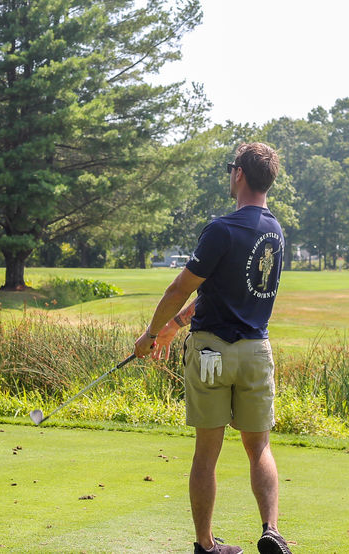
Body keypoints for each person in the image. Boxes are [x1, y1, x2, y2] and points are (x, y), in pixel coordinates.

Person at [134, 142, 292, 554]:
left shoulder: (221, 229)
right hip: (256, 352)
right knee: (259, 446)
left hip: (210, 354)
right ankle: (271, 530)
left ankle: (206, 545)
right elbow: (220, 290)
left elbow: (180, 288)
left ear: (239, 173)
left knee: (207, 451)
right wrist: (174, 326)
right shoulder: (275, 232)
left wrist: (151, 333)